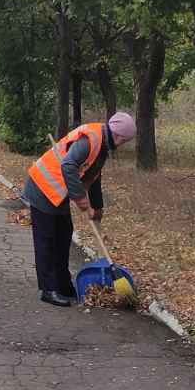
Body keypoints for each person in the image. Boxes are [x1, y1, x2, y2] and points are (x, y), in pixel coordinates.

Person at [20, 112, 136, 307]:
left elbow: (94, 175)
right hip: (42, 188)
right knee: (47, 240)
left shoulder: (103, 145)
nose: (123, 145)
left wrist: (97, 207)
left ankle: (63, 285)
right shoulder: (91, 138)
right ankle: (48, 289)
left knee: (64, 235)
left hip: (58, 192)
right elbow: (68, 165)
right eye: (125, 141)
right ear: (119, 136)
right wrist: (80, 197)